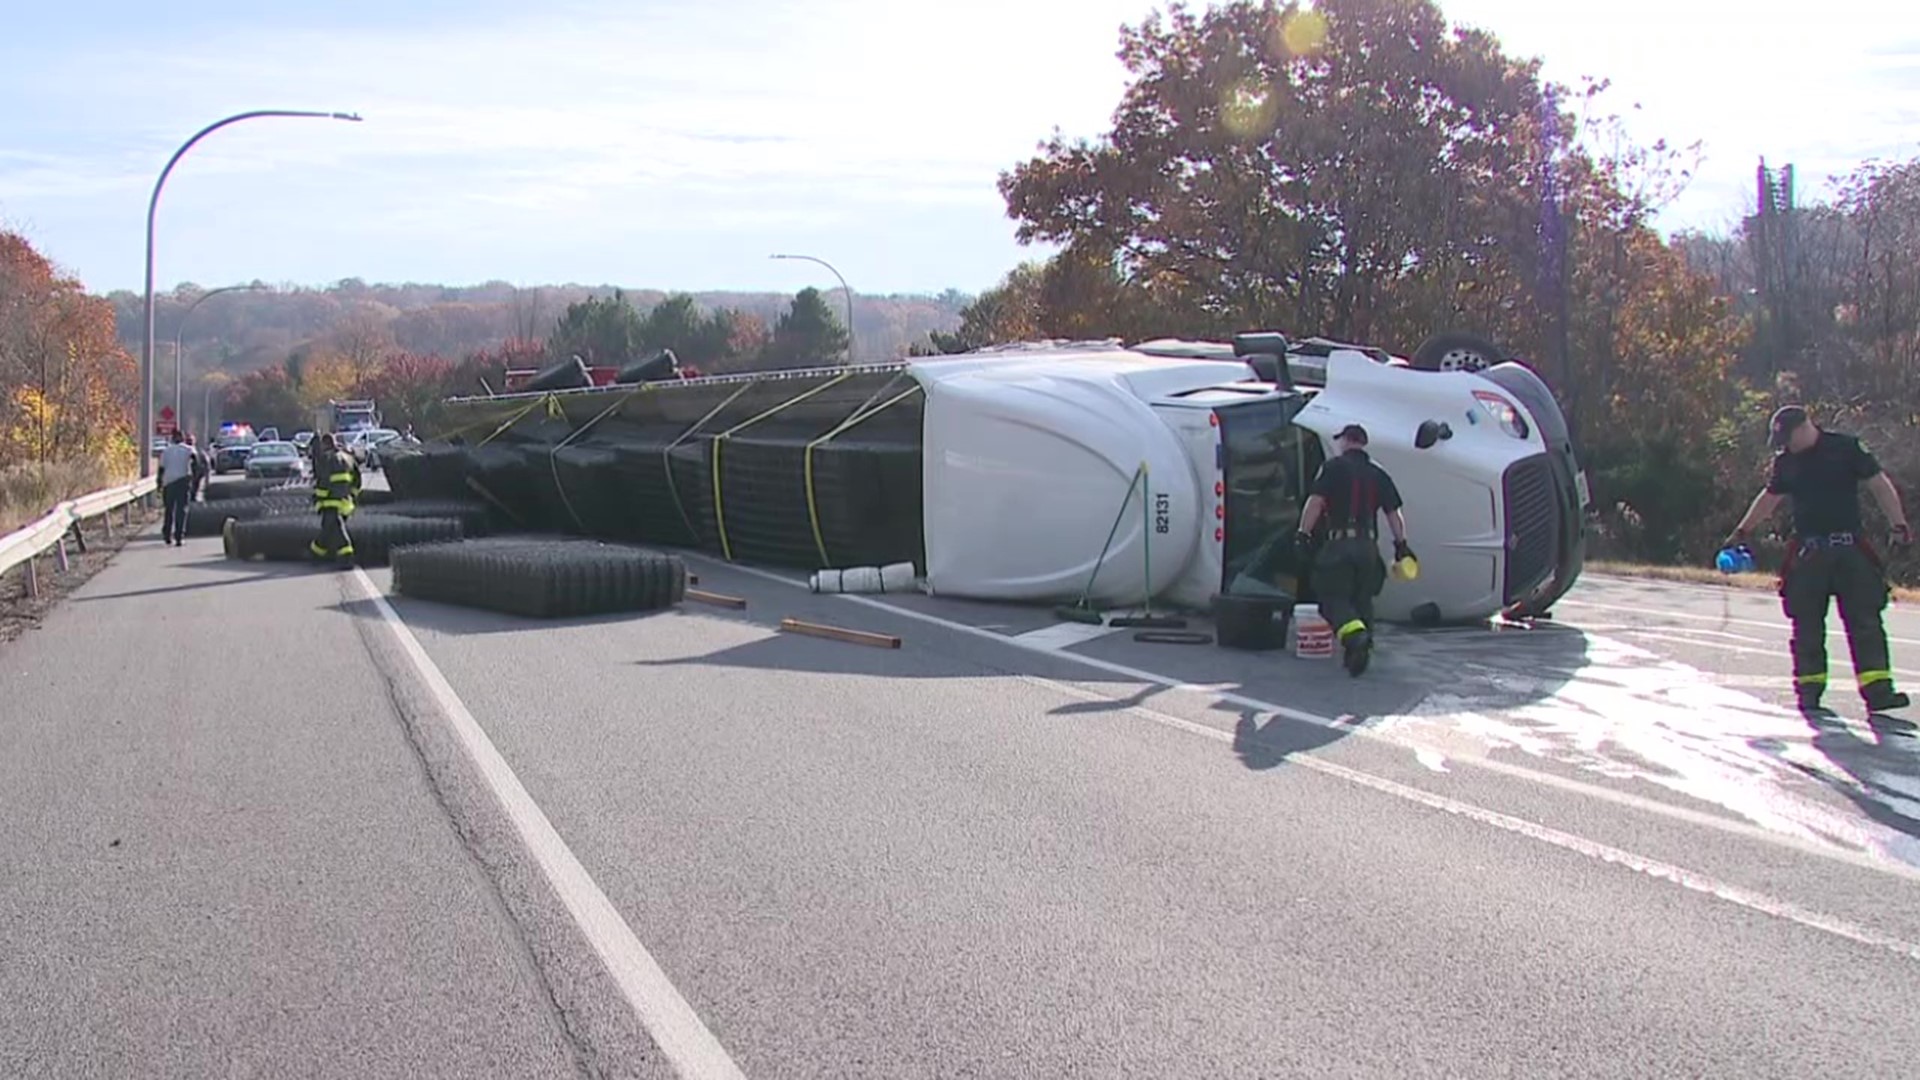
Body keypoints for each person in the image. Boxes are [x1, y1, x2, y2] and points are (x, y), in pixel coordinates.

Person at [1726, 405, 1912, 714]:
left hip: (1850, 549)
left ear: (1804, 426)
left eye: (1788, 438)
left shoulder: (1846, 448)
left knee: (1865, 621)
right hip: (1809, 552)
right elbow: (1769, 498)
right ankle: (1809, 691)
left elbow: (1879, 484)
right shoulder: (1786, 463)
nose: (1785, 445)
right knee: (1806, 623)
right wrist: (1742, 530)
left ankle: (1878, 691)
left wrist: (1899, 524)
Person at [1294, 424, 1414, 677]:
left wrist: (1303, 534)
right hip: (1368, 548)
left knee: (1332, 599)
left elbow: (1315, 503)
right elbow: (1395, 514)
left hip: (1340, 545)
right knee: (1361, 600)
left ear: (1347, 441)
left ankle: (1356, 638)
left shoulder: (1333, 467)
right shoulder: (1378, 473)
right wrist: (1402, 545)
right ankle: (1359, 654)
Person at [308, 433, 362, 568]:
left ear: (325, 444)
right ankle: (316, 555)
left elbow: (323, 482)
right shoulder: (349, 458)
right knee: (328, 530)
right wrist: (353, 496)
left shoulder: (328, 459)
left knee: (337, 531)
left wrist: (318, 500)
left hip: (330, 503)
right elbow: (357, 480)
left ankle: (347, 558)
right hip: (346, 503)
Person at [156, 430, 195, 546]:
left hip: (169, 483)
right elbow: (196, 463)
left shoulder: (166, 451)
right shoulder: (189, 450)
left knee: (169, 510)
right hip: (183, 482)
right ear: (183, 438)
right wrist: (193, 479)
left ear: (172, 439)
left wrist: (159, 484)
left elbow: (161, 469)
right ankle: (179, 536)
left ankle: (167, 535)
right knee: (181, 510)